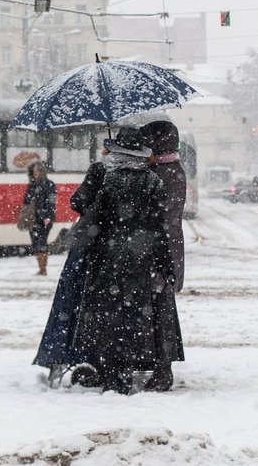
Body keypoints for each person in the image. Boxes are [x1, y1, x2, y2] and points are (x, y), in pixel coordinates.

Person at [72, 127, 183, 394]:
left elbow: (78, 203)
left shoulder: (103, 175)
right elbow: (158, 230)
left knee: (107, 317)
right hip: (138, 260)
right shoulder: (152, 181)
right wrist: (166, 266)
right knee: (132, 318)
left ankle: (112, 375)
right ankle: (127, 369)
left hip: (105, 259)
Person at [32, 150, 108, 386]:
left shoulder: (100, 170)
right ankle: (108, 361)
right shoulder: (142, 174)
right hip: (118, 252)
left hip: (88, 247)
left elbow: (77, 201)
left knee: (74, 302)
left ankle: (67, 355)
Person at [136, 120, 187, 392]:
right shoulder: (171, 168)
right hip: (167, 250)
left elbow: (156, 214)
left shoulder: (163, 173)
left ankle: (162, 370)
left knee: (160, 313)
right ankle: (159, 365)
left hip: (160, 252)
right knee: (159, 311)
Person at [23, 160, 56, 276]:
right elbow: (26, 201)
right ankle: (41, 268)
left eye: (37, 171)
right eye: (33, 171)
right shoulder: (31, 185)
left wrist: (47, 216)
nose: (36, 173)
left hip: (44, 219)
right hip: (33, 219)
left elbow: (51, 202)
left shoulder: (49, 184)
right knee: (36, 244)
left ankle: (43, 269)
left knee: (42, 243)